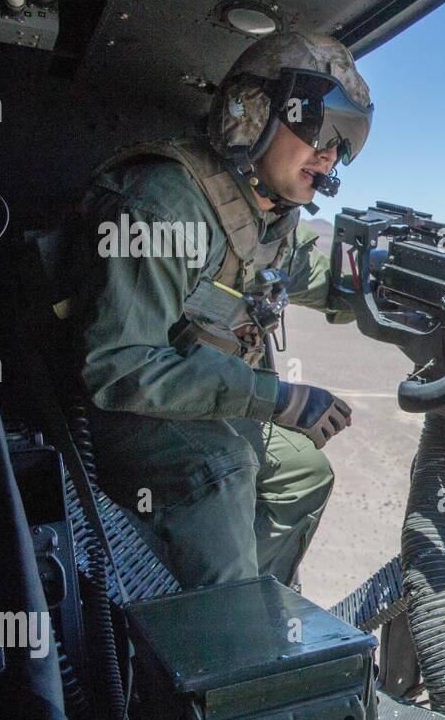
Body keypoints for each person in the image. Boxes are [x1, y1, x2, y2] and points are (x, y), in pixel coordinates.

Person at [74, 31, 373, 590]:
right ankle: (227, 657)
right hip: (118, 405)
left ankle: (250, 604)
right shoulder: (162, 205)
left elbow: (325, 279)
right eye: (318, 125)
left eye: (348, 138)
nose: (332, 152)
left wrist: (411, 297)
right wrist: (273, 398)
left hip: (183, 394)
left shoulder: (268, 216)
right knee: (224, 472)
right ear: (253, 113)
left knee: (303, 472)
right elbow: (120, 366)